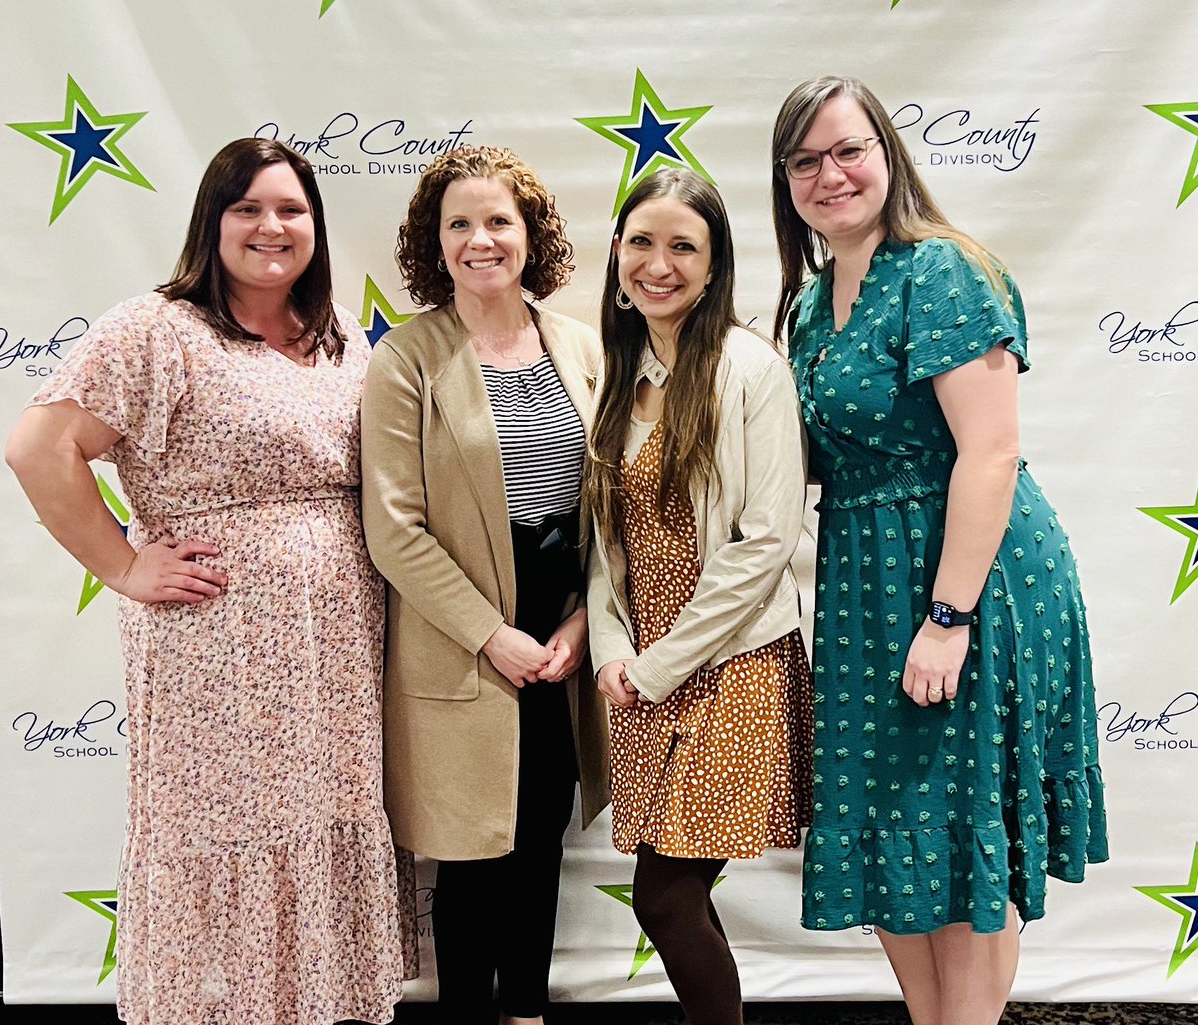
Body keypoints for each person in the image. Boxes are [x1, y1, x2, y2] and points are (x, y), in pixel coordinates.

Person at [4, 138, 417, 1025]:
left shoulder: (341, 338)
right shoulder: (157, 329)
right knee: (221, 833)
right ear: (213, 222)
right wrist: (121, 562)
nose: (273, 226)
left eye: (292, 210)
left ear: (316, 226)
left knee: (317, 824)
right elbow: (37, 447)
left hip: (334, 648)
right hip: (215, 649)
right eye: (249, 209)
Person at [772, 76, 1108, 1025]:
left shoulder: (943, 270)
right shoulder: (806, 305)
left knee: (960, 839)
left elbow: (991, 452)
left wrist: (949, 617)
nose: (829, 174)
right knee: (896, 831)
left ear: (888, 154)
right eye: (805, 160)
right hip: (865, 588)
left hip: (967, 577)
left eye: (848, 150)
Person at [360, 145, 609, 1025]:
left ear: (529, 234)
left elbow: (609, 503)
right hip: (461, 637)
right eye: (458, 223)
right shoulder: (407, 357)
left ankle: (529, 1011)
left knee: (539, 844)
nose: (480, 239)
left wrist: (583, 621)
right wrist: (488, 632)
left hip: (561, 631)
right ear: (436, 244)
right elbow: (394, 526)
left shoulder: (578, 344)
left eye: (498, 220)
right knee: (468, 858)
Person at [585, 168, 814, 1025]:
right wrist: (615, 651)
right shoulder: (620, 371)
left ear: (714, 267)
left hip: (730, 663)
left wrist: (659, 663)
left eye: (685, 246)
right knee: (674, 889)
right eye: (642, 241)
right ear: (617, 253)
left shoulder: (752, 369)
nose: (660, 263)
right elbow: (609, 545)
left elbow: (765, 542)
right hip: (644, 670)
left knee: (667, 892)